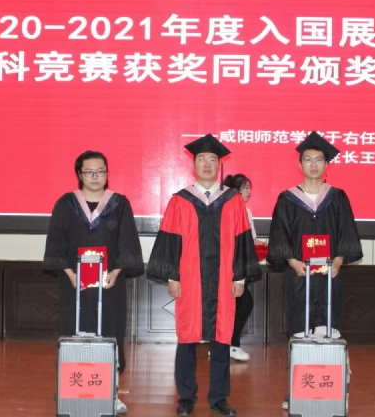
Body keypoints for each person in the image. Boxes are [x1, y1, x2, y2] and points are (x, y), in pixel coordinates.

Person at [146, 134, 262, 417]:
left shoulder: (233, 200)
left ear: (219, 164)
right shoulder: (180, 200)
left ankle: (219, 398)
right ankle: (186, 396)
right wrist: (173, 277)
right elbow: (170, 241)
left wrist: (239, 279)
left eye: (212, 159)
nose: (207, 164)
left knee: (222, 338)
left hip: (224, 281)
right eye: (202, 159)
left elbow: (242, 241)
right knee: (187, 337)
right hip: (190, 280)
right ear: (194, 164)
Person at [267, 131, 363, 410]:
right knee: (299, 331)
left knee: (329, 330)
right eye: (308, 159)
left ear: (326, 164)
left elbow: (346, 232)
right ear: (300, 164)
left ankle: (330, 388)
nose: (313, 164)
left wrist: (338, 261)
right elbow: (280, 235)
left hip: (330, 276)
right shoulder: (287, 199)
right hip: (300, 276)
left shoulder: (337, 198)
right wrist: (291, 261)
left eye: (318, 159)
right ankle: (295, 390)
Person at [44, 150, 144, 415]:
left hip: (109, 284)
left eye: (101, 171)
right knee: (74, 331)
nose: (96, 176)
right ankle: (72, 390)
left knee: (111, 332)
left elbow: (127, 242)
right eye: (89, 172)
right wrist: (70, 274)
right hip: (74, 285)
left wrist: (117, 271)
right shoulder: (66, 204)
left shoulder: (119, 204)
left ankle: (111, 393)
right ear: (79, 174)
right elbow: (56, 243)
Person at [222, 173, 267, 362]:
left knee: (240, 304)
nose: (250, 191)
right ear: (236, 190)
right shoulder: (225, 209)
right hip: (226, 266)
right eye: (246, 187)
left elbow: (251, 240)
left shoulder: (246, 211)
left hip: (241, 266)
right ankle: (229, 345)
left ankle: (226, 345)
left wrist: (268, 245)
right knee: (240, 304)